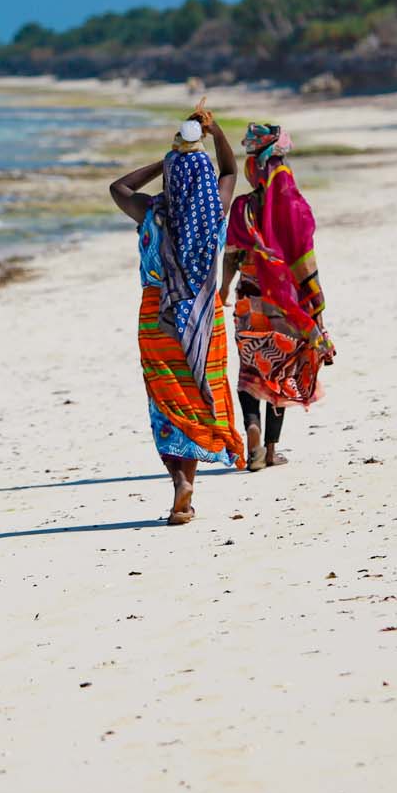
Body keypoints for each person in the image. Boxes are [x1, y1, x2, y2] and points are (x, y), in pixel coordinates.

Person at [107, 108, 243, 524]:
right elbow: (230, 169)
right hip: (205, 319)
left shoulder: (151, 212)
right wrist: (213, 131)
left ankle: (179, 484)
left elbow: (118, 186)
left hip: (157, 319)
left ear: (171, 174)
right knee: (201, 400)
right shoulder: (215, 212)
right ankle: (189, 482)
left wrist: (168, 158)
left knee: (167, 404)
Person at [219, 123, 334, 471]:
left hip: (249, 298)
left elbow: (232, 254)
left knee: (250, 369)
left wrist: (224, 288)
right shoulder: (295, 207)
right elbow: (305, 263)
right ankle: (269, 450)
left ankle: (251, 430)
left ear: (253, 168)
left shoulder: (242, 207)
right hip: (287, 304)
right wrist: (317, 312)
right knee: (280, 368)